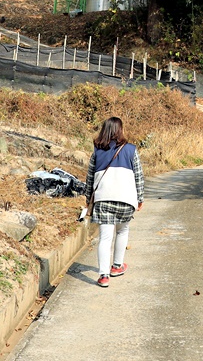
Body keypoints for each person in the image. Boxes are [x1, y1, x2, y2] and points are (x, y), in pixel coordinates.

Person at [85, 116, 144, 287]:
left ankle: (104, 276)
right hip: (126, 199)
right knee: (122, 231)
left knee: (105, 238)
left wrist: (88, 200)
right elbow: (138, 176)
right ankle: (117, 266)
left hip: (103, 199)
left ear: (104, 130)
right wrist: (140, 198)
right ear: (120, 130)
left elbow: (90, 178)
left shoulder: (97, 151)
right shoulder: (131, 149)